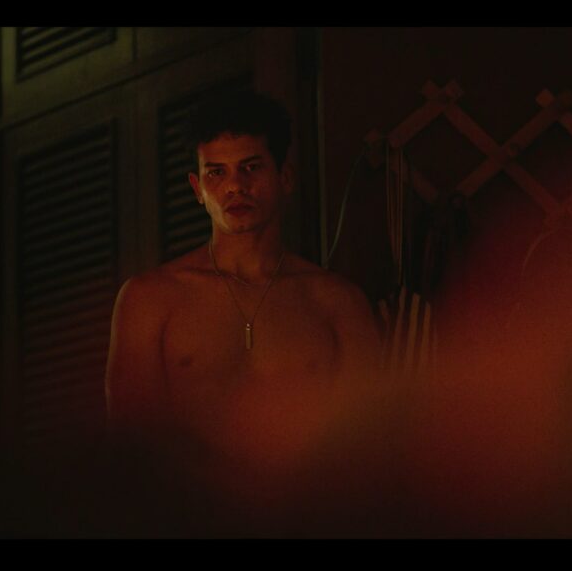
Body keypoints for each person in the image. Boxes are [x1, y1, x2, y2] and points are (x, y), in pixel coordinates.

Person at [104, 91, 381, 515]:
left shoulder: (337, 302)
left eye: (251, 167)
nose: (235, 186)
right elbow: (133, 445)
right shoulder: (151, 299)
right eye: (216, 172)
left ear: (284, 177)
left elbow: (368, 444)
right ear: (198, 189)